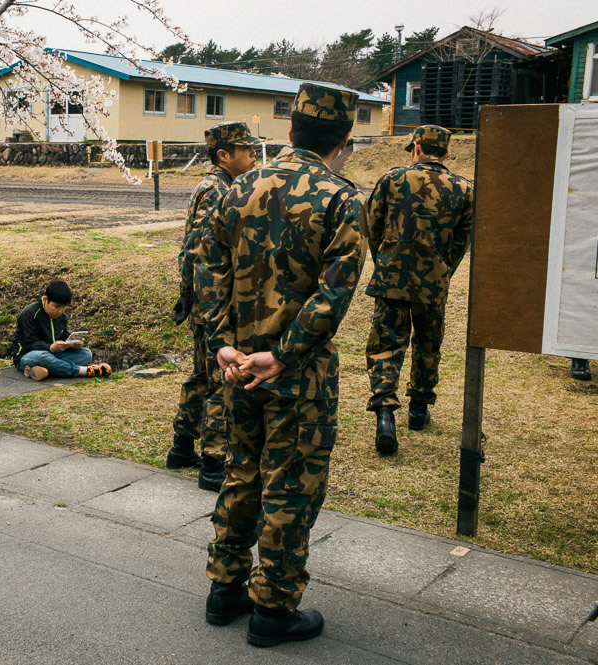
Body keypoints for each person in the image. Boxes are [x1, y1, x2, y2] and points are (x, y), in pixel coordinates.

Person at [200, 82, 367, 648]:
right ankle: (272, 608)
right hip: (300, 373)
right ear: (343, 140)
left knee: (241, 471)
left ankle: (224, 589)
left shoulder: (236, 188)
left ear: (289, 129)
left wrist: (223, 342)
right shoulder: (342, 197)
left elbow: (209, 269)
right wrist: (287, 352)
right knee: (291, 485)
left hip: (237, 364)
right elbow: (334, 290)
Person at [364, 125, 473, 455]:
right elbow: (461, 240)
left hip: (392, 276)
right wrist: (443, 271)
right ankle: (418, 408)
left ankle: (384, 412)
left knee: (386, 343)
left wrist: (384, 260)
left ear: (415, 148)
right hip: (433, 280)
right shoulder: (464, 188)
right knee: (428, 342)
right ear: (446, 153)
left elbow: (372, 225)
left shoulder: (392, 179)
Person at [166, 121, 259, 493]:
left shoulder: (216, 186)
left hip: (205, 302)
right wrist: (209, 308)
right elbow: (200, 254)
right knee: (221, 381)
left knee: (201, 376)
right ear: (224, 155)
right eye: (246, 149)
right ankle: (213, 463)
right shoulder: (218, 190)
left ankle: (182, 448)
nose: (253, 155)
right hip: (213, 303)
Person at [11, 280, 111, 380]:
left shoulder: (62, 315)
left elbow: (63, 337)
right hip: (27, 356)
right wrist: (50, 347)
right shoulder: (29, 314)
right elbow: (29, 345)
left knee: (86, 354)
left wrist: (72, 345)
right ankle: (84, 371)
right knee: (43, 356)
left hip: (53, 356)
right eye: (57, 306)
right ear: (45, 300)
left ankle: (41, 370)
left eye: (64, 307)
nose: (60, 311)